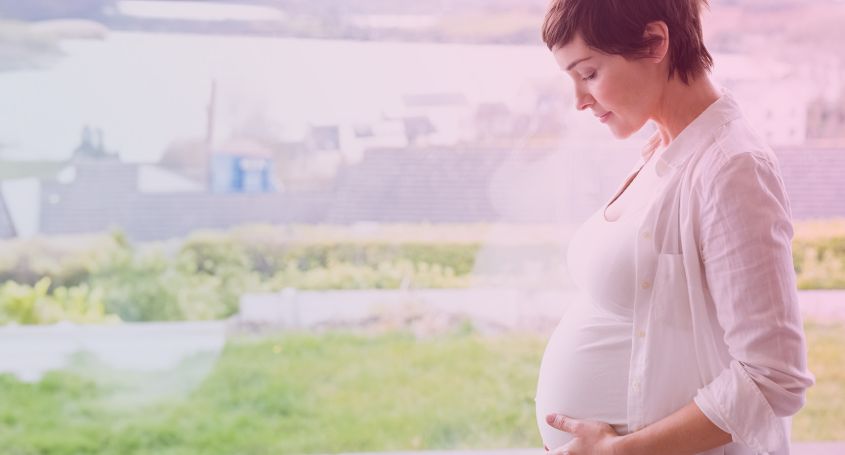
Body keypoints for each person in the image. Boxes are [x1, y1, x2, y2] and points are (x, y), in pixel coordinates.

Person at [532, 1, 815, 454]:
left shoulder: (733, 169)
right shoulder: (667, 151)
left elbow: (773, 377)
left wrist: (618, 450)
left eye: (588, 74)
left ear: (654, 42)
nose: (579, 101)